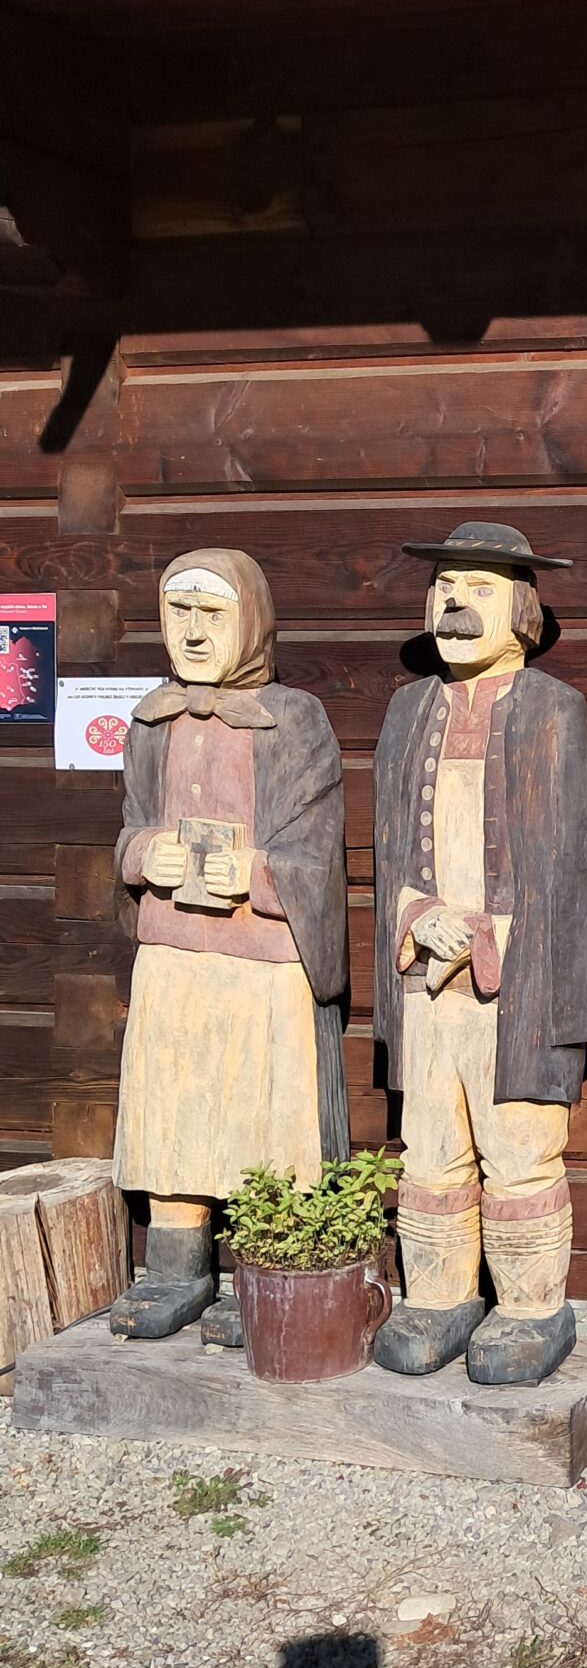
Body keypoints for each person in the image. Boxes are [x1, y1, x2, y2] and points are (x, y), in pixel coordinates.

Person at [370, 522, 587, 1388]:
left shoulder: (553, 710)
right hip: (426, 982)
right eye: (443, 588)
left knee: (519, 1148)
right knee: (429, 1145)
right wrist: (419, 914)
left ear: (523, 611)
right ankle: (438, 1295)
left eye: (478, 589)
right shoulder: (408, 711)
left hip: (520, 987)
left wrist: (492, 935)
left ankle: (532, 1307)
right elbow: (389, 847)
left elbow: (570, 863)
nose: (454, 605)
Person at [110, 550, 348, 1346]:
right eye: (178, 612)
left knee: (261, 1112)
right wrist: (142, 855)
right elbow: (131, 824)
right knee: (171, 1106)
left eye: (213, 615)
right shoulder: (151, 721)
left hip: (262, 959)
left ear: (251, 622)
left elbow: (316, 845)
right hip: (172, 953)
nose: (193, 632)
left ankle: (264, 1267)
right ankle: (175, 1265)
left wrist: (256, 873)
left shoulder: (294, 720)